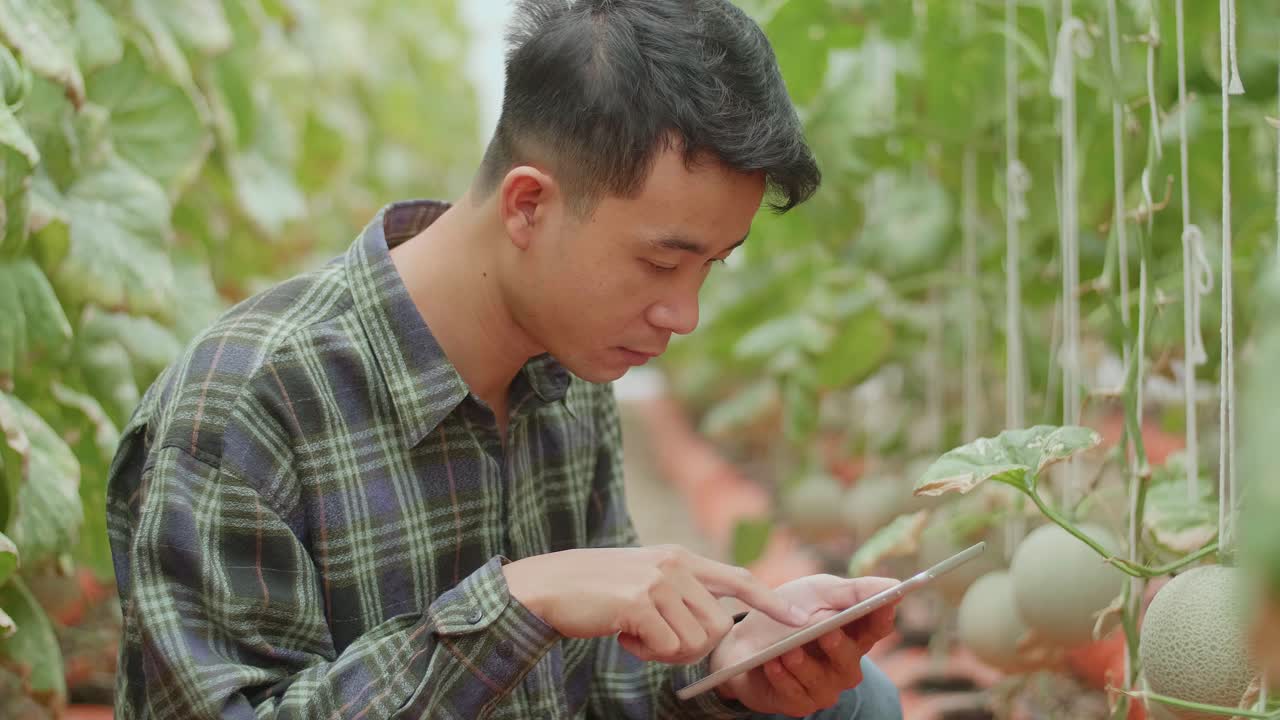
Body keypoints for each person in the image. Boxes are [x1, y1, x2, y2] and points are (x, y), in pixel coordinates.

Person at [104, 1, 904, 718]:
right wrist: (519, 601)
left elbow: (589, 682)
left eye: (712, 265)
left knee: (855, 701)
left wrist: (728, 665)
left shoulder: (571, 369)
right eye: (662, 263)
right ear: (529, 205)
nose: (683, 315)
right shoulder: (245, 408)